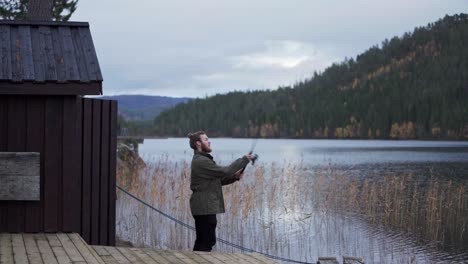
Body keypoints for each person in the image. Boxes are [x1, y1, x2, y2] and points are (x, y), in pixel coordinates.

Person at [187, 131, 253, 252]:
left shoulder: (203, 160)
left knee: (204, 240)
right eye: (206, 139)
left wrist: (234, 177)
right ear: (198, 143)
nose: (209, 141)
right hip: (204, 206)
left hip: (204, 206)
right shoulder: (201, 161)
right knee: (207, 240)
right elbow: (225, 171)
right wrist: (243, 160)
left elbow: (218, 180)